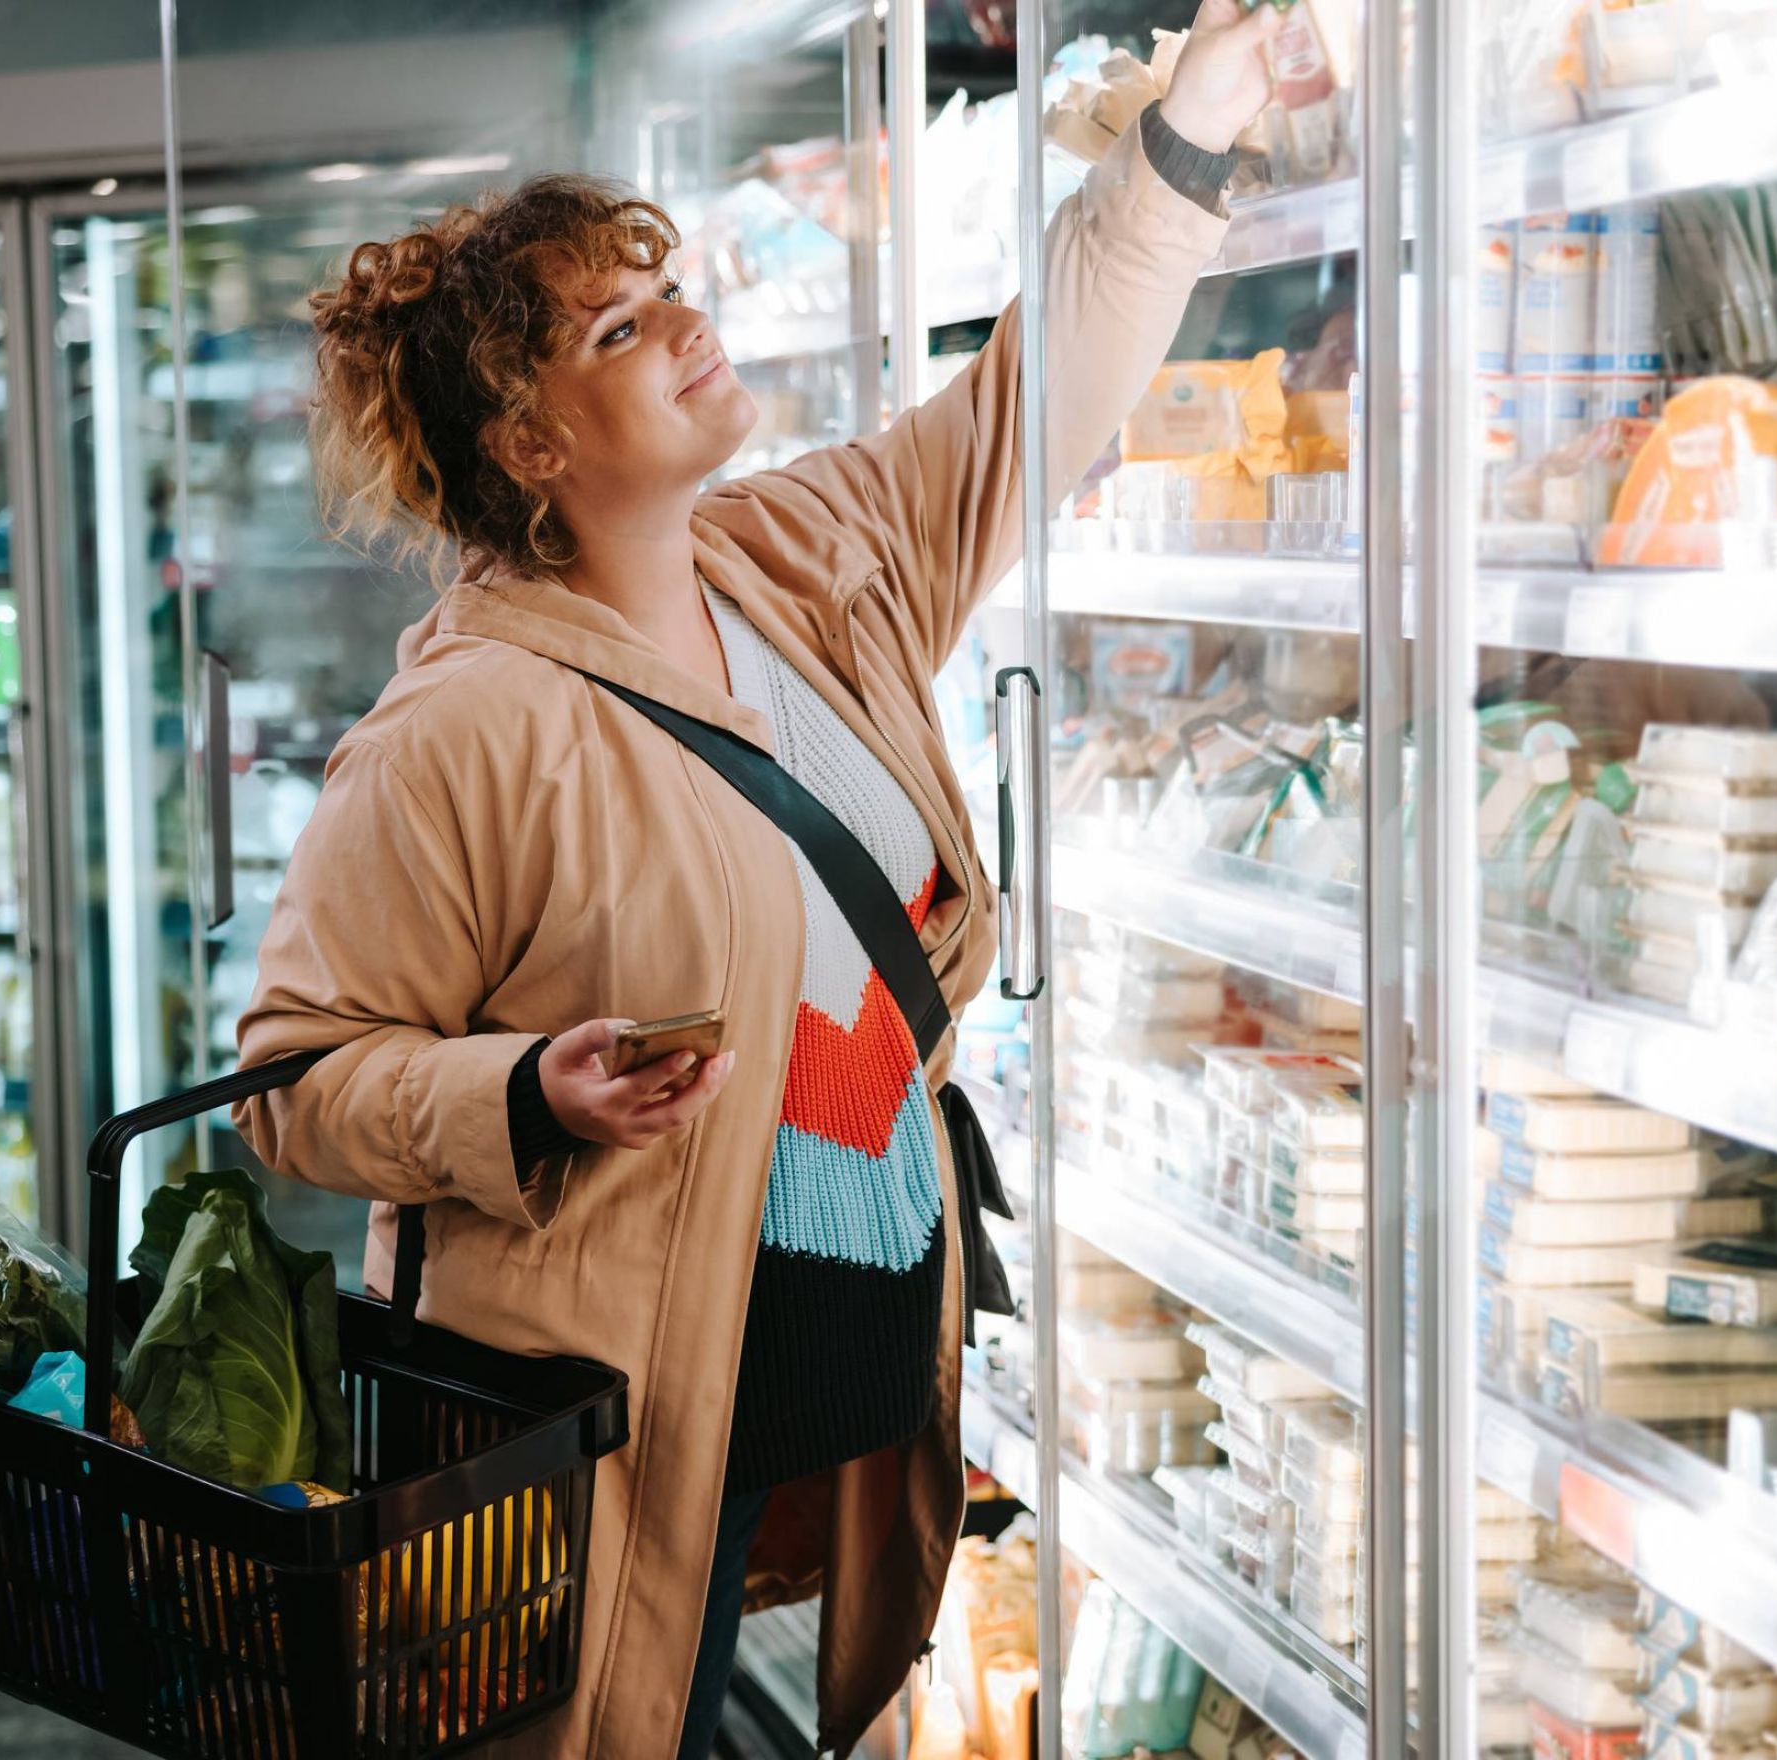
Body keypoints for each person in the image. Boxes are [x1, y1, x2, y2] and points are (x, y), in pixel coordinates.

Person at [234, 4, 1283, 1752]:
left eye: (663, 290)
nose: (686, 325)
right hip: (606, 1425)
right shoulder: (460, 730)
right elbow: (294, 1080)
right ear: (533, 448)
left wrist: (1193, 138)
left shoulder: (797, 561)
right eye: (622, 329)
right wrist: (524, 1089)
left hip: (828, 1375)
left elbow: (1038, 404)